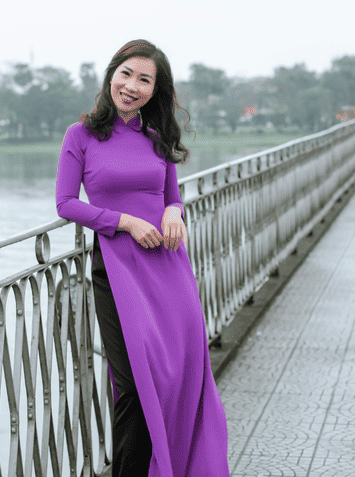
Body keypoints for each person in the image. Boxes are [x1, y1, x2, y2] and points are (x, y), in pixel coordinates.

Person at [55, 39, 230, 477]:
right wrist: (126, 222)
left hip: (169, 270)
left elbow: (172, 197)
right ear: (111, 75)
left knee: (182, 376)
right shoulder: (81, 135)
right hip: (117, 269)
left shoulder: (157, 137)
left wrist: (174, 211)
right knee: (134, 385)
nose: (132, 86)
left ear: (155, 90)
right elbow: (64, 204)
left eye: (144, 80)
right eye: (126, 74)